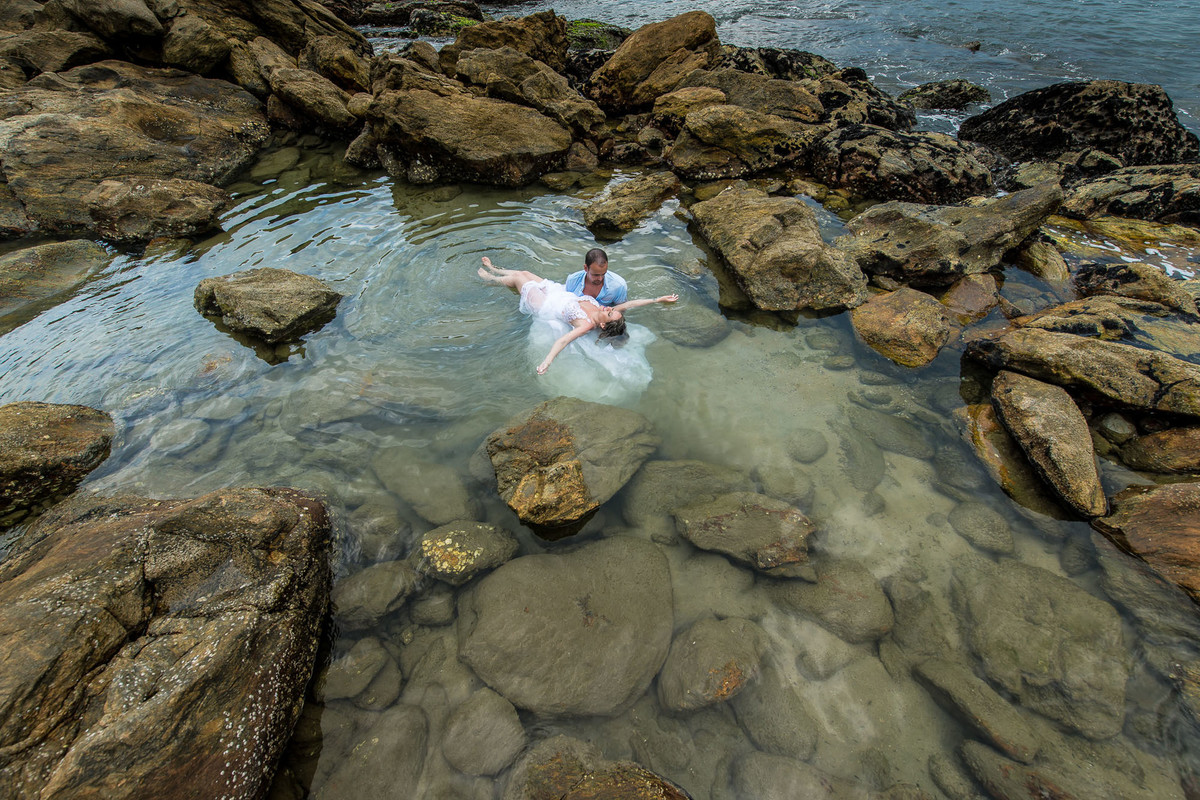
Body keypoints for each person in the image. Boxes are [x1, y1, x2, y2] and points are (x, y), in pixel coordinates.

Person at [479, 257, 677, 374]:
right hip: (557, 292)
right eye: (611, 310)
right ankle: (495, 269)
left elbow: (564, 341)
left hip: (545, 305)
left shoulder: (586, 325)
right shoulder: (600, 308)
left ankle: (491, 279)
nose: (608, 309)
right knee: (524, 272)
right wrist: (657, 299)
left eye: (609, 313)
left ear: (603, 325)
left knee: (519, 280)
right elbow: (629, 304)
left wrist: (547, 361)